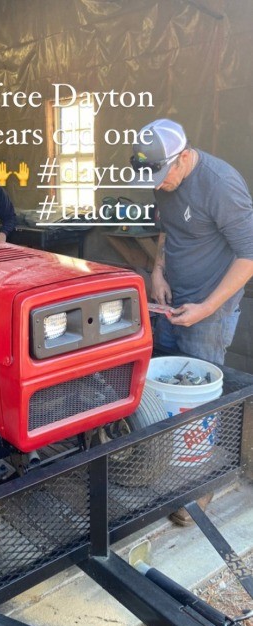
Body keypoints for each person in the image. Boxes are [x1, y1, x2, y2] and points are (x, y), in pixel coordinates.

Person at [131, 118, 253, 525]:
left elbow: (249, 257)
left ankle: (198, 487)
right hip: (171, 299)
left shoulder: (221, 185)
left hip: (208, 311)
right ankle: (164, 469)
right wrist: (158, 271)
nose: (159, 184)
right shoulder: (165, 183)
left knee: (200, 400)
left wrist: (206, 308)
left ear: (183, 157)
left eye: (164, 175)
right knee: (162, 386)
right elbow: (169, 229)